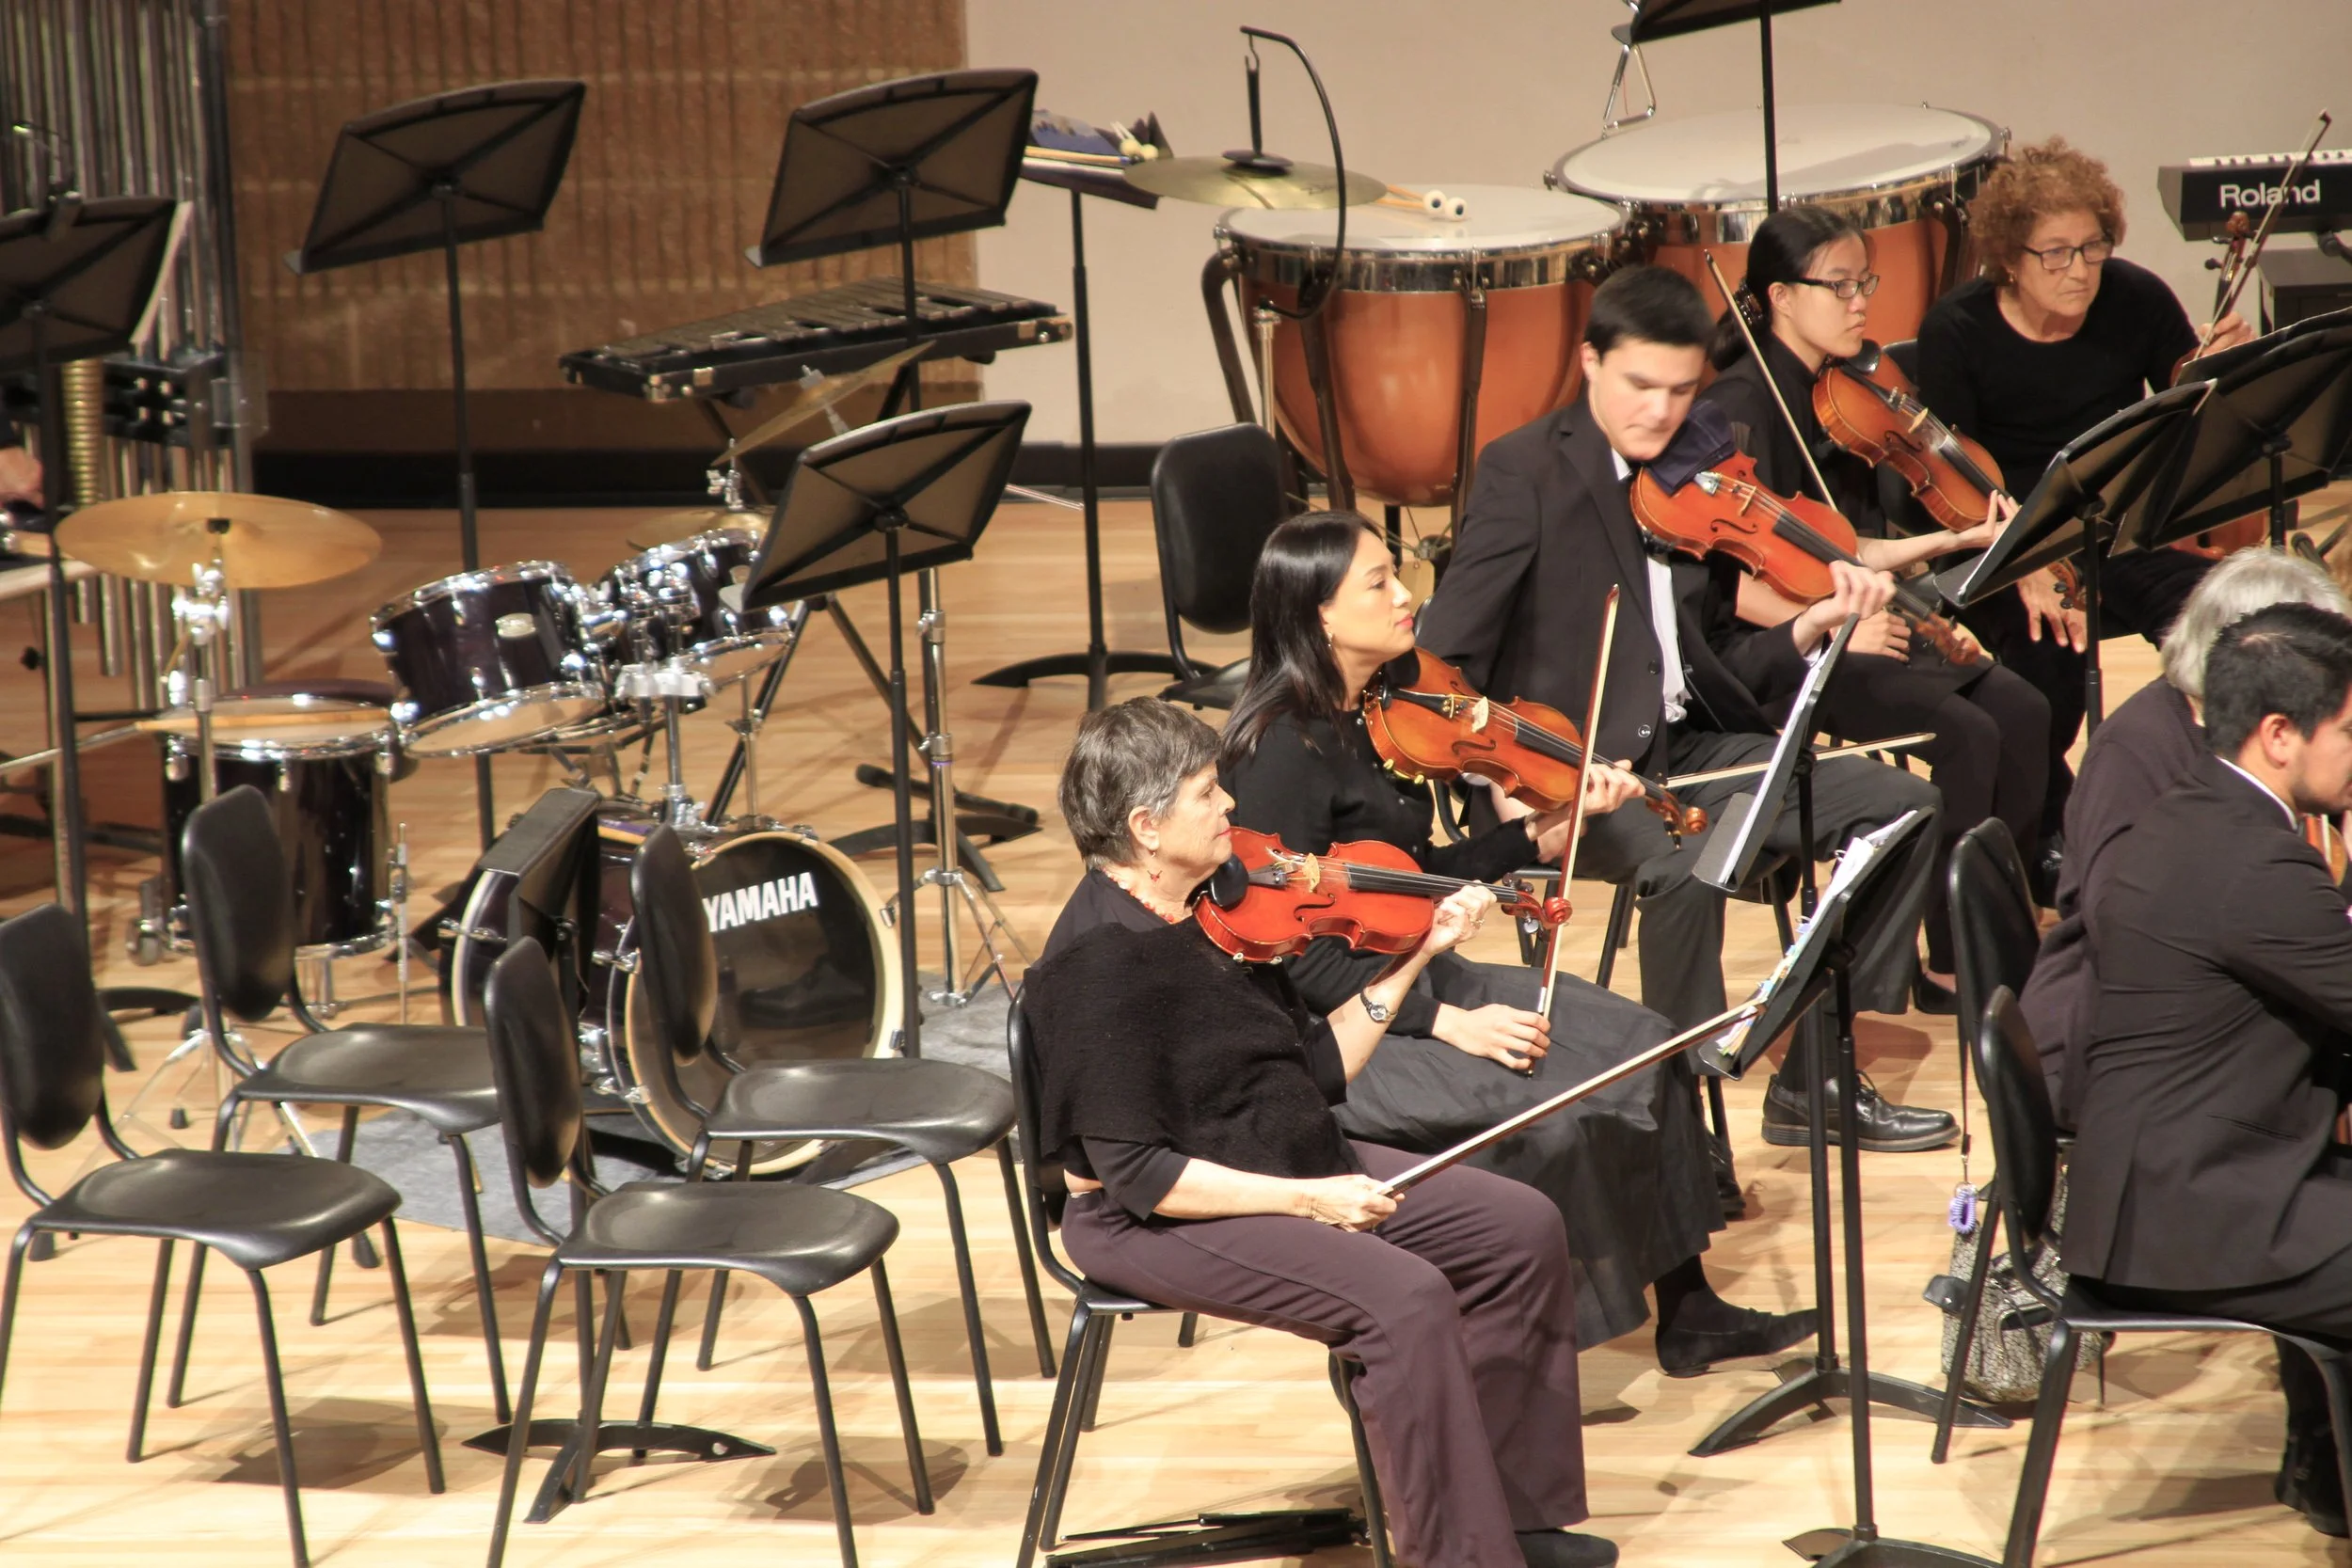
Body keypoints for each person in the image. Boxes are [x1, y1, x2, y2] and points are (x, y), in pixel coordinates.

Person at [1027, 698, 1615, 1568]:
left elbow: (1317, 1070)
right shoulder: (1098, 965)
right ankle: (1458, 1557)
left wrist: (1419, 951)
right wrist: (1312, 1200)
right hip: (1159, 1216)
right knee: (1403, 1298)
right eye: (1205, 794)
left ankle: (1514, 1518)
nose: (1231, 806)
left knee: (1518, 1229)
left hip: (1278, 1153)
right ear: (1146, 828)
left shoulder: (1209, 912)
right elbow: (1139, 1175)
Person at [1219, 510, 1815, 1368]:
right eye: (1379, 583)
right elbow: (1296, 959)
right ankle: (1531, 1358)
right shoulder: (1278, 751)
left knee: (1645, 1043)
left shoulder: (1369, 712)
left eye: (1398, 574)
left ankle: (1691, 1310)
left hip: (1413, 971)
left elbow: (1414, 873)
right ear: (1319, 615)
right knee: (1554, 1113)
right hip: (1344, 1030)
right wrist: (1446, 1023)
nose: (1406, 596)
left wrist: (1545, 833)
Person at [1418, 263, 1954, 1154]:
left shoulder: (1689, 477)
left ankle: (1816, 1070)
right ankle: (1675, 1125)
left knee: (1904, 805)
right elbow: (1446, 661)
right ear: (1589, 362)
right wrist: (1509, 779)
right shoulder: (1525, 472)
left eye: (1680, 391)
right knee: (1684, 864)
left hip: (1686, 747)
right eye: (1640, 387)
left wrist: (1812, 623)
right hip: (1570, 771)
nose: (1662, 414)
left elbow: (1709, 655)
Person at [1698, 204, 2050, 1006]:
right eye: (1841, 286)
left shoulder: (1841, 389)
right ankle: (1948, 962)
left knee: (2023, 713)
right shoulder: (1739, 406)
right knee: (1967, 733)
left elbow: (1848, 547)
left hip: (1860, 614)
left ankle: (2000, 925)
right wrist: (1831, 623)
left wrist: (1946, 548)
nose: (1862, 302)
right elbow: (1726, 580)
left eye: (1867, 283)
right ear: (1781, 297)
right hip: (1783, 646)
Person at [2064, 602, 2352, 1541]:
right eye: (2349, 731)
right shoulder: (2248, 859)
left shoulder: (2201, 812)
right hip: (2188, 1206)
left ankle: (2324, 1472)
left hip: (2184, 1165)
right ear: (2278, 735)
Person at [1917, 136, 2255, 858]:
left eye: (2092, 246)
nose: (2080, 269)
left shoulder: (2133, 297)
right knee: (2044, 678)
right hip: (2007, 539)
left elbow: (2193, 417)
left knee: (2226, 623)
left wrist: (2224, 370)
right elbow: (1948, 477)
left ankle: (2208, 809)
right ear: (2009, 257)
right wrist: (2023, 559)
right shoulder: (1957, 330)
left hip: (2119, 528)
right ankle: (2049, 841)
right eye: (2055, 252)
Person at [2017, 549, 2347, 1118]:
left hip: (2212, 1019)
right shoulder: (2138, 749)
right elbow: (2120, 919)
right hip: (2118, 1049)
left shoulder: (2250, 746)